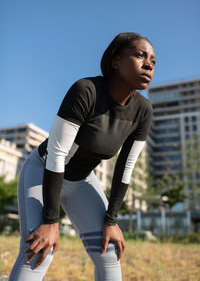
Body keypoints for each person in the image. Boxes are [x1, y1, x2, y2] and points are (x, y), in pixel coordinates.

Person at [9, 32, 156, 281]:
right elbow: (57, 154)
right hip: (43, 172)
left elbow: (126, 167)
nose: (149, 64)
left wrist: (111, 220)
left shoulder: (143, 110)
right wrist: (51, 220)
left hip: (83, 181)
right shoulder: (86, 90)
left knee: (109, 252)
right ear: (116, 60)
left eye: (153, 60)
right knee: (39, 251)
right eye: (140, 55)